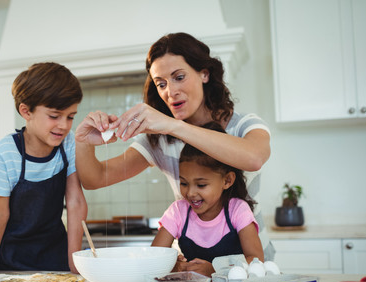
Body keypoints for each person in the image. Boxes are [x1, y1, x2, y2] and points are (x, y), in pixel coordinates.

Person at [75, 32, 274, 259]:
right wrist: (83, 142)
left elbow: (254, 158)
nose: (170, 92)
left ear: (204, 74)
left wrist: (174, 126)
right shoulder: (160, 138)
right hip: (193, 269)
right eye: (161, 84)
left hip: (252, 266)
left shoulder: (244, 125)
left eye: (179, 77)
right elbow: (95, 178)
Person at [0, 62, 87, 273]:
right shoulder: (5, 153)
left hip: (54, 256)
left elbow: (75, 202)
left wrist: (75, 265)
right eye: (55, 116)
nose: (64, 125)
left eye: (70, 117)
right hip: (9, 260)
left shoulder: (68, 144)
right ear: (26, 111)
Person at [152, 122, 264, 277]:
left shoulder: (238, 210)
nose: (190, 193)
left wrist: (215, 271)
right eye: (184, 183)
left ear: (227, 181)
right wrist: (174, 265)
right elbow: (154, 259)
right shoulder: (178, 212)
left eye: (201, 185)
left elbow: (256, 260)